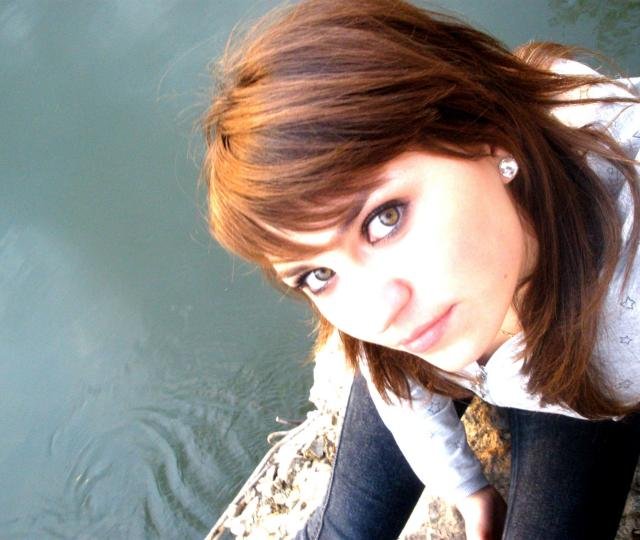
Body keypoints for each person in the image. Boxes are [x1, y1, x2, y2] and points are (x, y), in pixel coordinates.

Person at [201, 0, 640, 538]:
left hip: (580, 371)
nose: (377, 313)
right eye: (317, 274)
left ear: (488, 133)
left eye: (384, 218)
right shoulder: (397, 305)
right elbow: (397, 380)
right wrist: (464, 488)